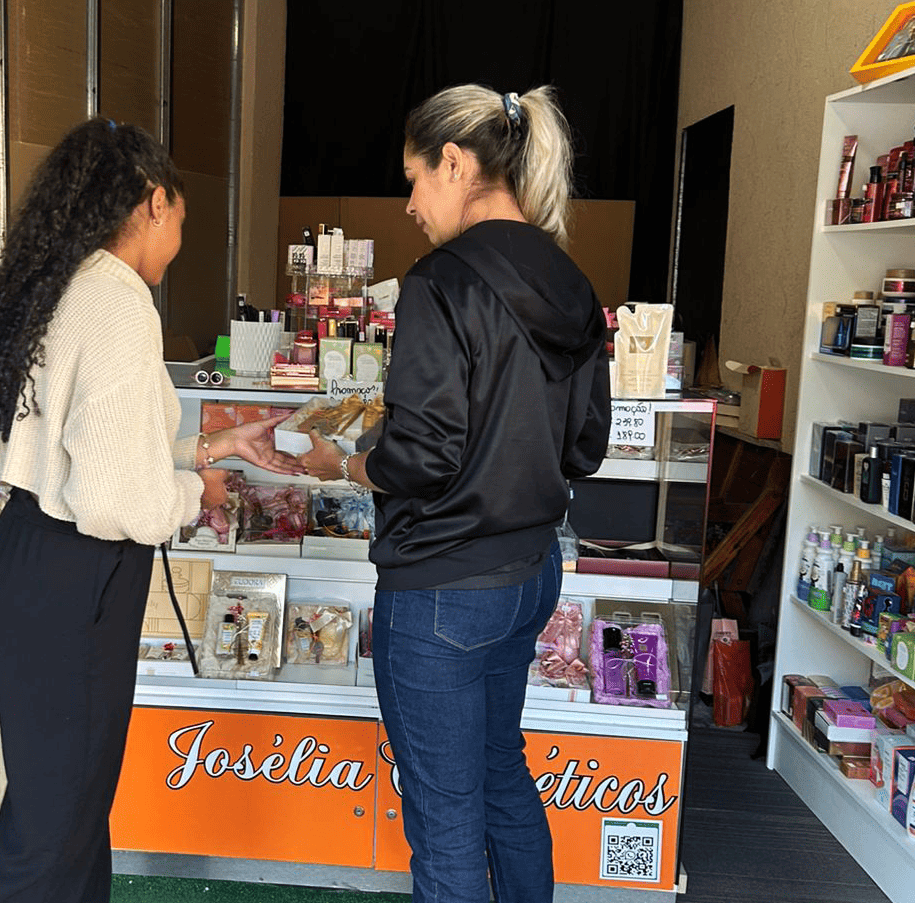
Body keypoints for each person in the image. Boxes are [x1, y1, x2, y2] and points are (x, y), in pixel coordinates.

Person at [0, 118, 300, 903]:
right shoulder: (118, 302)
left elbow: (92, 451)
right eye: (181, 216)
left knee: (66, 809)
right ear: (153, 203)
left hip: (33, 558)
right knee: (53, 829)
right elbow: (118, 497)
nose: (178, 238)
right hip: (75, 576)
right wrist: (194, 493)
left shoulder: (64, 284)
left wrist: (212, 447)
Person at [299, 85, 610, 903]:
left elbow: (421, 457)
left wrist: (347, 466)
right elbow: (587, 447)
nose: (409, 204)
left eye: (413, 179)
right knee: (502, 774)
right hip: (529, 576)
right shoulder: (573, 282)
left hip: (441, 591)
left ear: (455, 162)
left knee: (444, 824)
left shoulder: (440, 282)